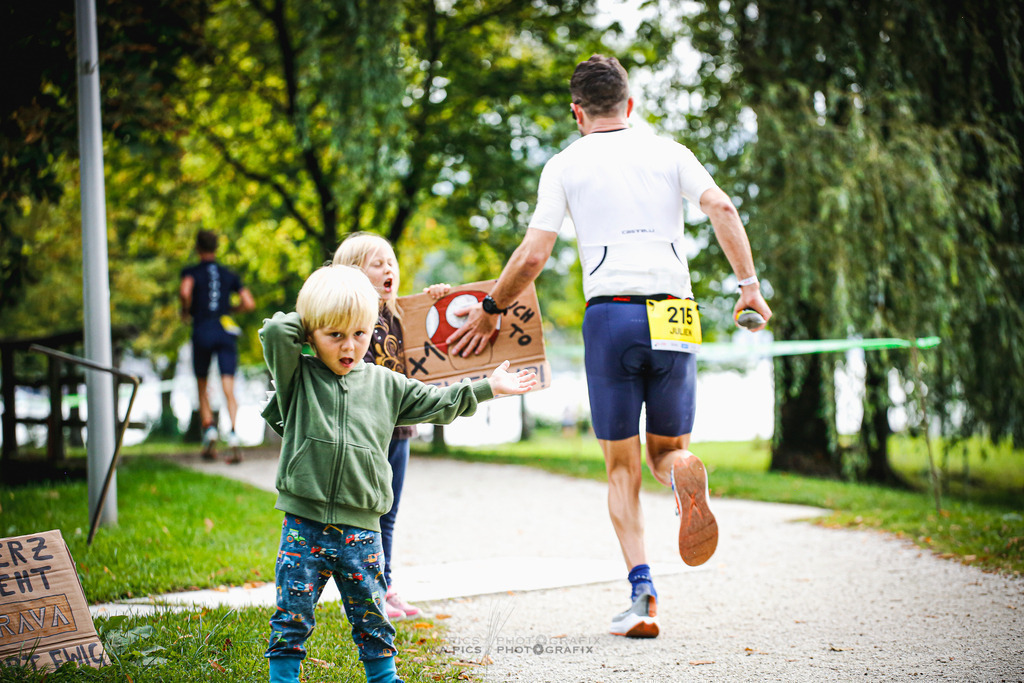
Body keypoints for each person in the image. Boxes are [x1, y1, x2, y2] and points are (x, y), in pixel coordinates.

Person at [447, 55, 772, 639]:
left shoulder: (565, 165)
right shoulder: (671, 152)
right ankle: (683, 471)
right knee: (664, 451)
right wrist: (749, 288)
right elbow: (722, 206)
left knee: (621, 469)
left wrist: (492, 310)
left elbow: (532, 257)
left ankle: (643, 595)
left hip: (612, 317)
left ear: (577, 113)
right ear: (630, 104)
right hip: (675, 312)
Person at [259, 264, 536, 683]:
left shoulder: (387, 384)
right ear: (311, 334)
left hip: (361, 529)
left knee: (371, 613)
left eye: (360, 333)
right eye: (335, 335)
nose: (349, 346)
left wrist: (487, 388)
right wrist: (316, 313)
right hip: (304, 525)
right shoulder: (297, 375)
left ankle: (384, 678)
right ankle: (283, 678)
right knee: (292, 612)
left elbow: (439, 401)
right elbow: (276, 331)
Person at [332, 232, 451, 621]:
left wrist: (438, 301)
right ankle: (367, 587)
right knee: (365, 510)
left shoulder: (402, 314)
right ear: (351, 273)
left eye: (392, 262)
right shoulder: (349, 319)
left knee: (389, 513)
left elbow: (440, 334)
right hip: (366, 429)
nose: (389, 269)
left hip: (400, 428)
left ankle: (383, 584)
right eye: (377, 263)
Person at [179, 229, 255, 462]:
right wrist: (231, 309)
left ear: (197, 248)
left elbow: (185, 291)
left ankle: (210, 428)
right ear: (216, 248)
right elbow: (249, 302)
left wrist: (186, 310)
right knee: (228, 386)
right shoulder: (228, 274)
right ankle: (232, 433)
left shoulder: (191, 272)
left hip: (202, 328)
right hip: (225, 330)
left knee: (202, 384)